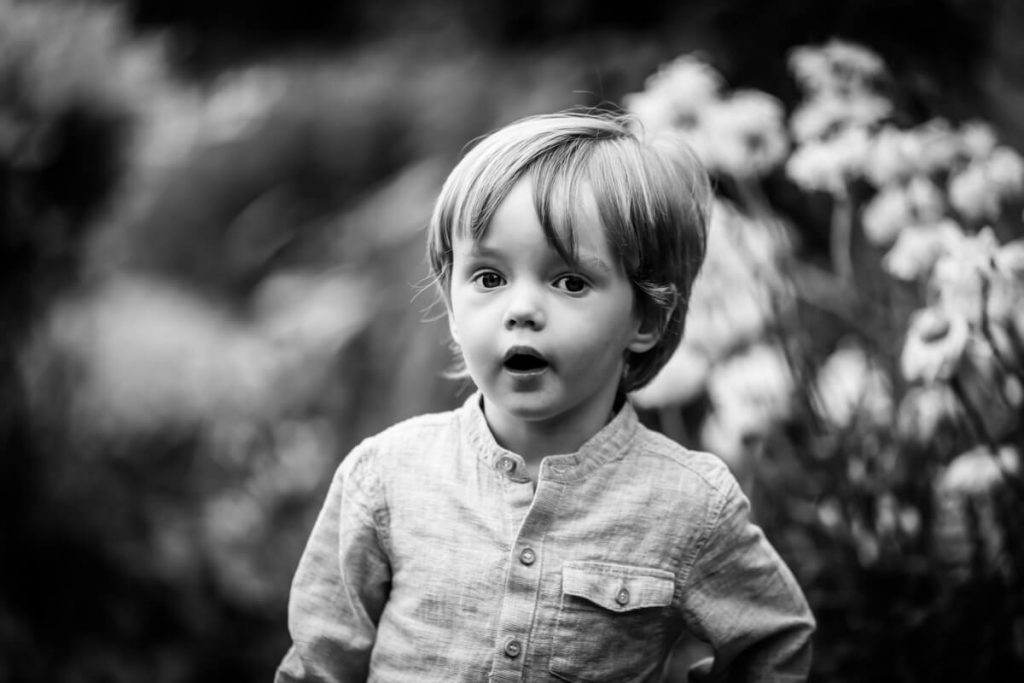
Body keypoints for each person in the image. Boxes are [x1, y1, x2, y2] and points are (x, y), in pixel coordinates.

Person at [275, 111, 815, 682]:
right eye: (489, 278)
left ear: (647, 318)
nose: (522, 310)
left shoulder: (689, 504)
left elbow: (774, 640)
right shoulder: (386, 476)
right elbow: (318, 662)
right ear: (452, 306)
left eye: (570, 282)